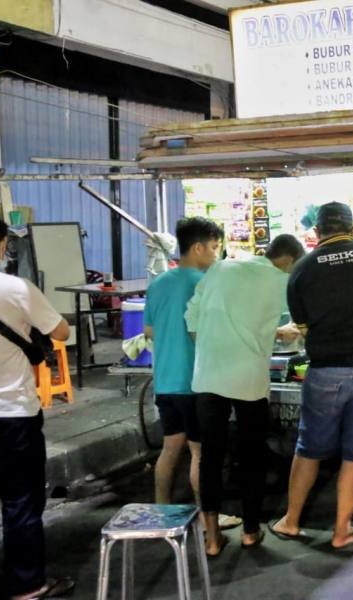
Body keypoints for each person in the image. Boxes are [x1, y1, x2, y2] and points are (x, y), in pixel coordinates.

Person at [271, 202, 353, 549]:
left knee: (309, 448)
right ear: (352, 227)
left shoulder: (302, 268)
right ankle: (342, 530)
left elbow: (303, 329)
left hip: (327, 370)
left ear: (317, 232)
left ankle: (291, 521)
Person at [185, 234, 304, 556]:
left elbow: (192, 317)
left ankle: (212, 538)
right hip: (249, 380)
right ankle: (251, 531)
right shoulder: (281, 282)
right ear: (289, 260)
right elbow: (303, 319)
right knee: (252, 455)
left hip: (209, 375)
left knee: (211, 456)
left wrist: (214, 345)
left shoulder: (221, 268)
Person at [0, 214, 75, 600]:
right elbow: (61, 331)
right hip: (13, 414)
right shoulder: (15, 288)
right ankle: (27, 584)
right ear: (1, 246)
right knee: (21, 499)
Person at [144, 217, 242, 528]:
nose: (216, 254)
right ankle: (207, 517)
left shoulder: (158, 283)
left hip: (165, 381)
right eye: (214, 247)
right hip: (195, 381)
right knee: (200, 453)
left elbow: (149, 331)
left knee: (170, 447)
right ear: (198, 247)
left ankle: (162, 511)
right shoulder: (205, 283)